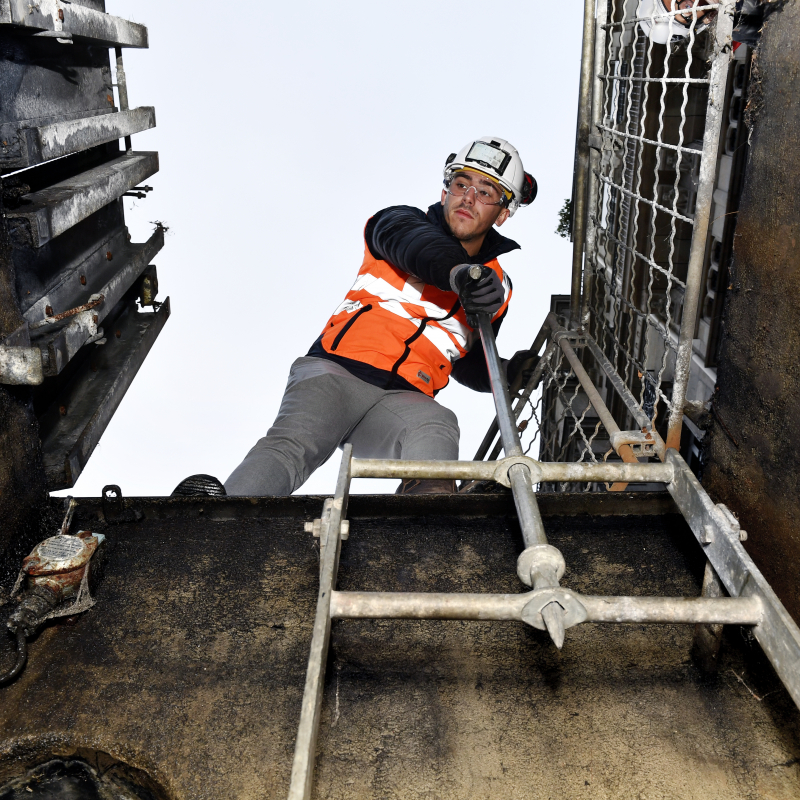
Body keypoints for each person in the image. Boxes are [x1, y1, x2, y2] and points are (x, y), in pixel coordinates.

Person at [173, 136, 538, 498]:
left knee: (437, 423)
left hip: (404, 397)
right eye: (461, 184)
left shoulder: (499, 285)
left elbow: (468, 363)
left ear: (503, 213)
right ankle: (220, 521)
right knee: (293, 445)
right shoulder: (400, 222)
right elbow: (420, 249)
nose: (468, 197)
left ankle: (429, 524)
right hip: (336, 373)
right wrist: (460, 273)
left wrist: (507, 374)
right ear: (445, 193)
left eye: (486, 191)